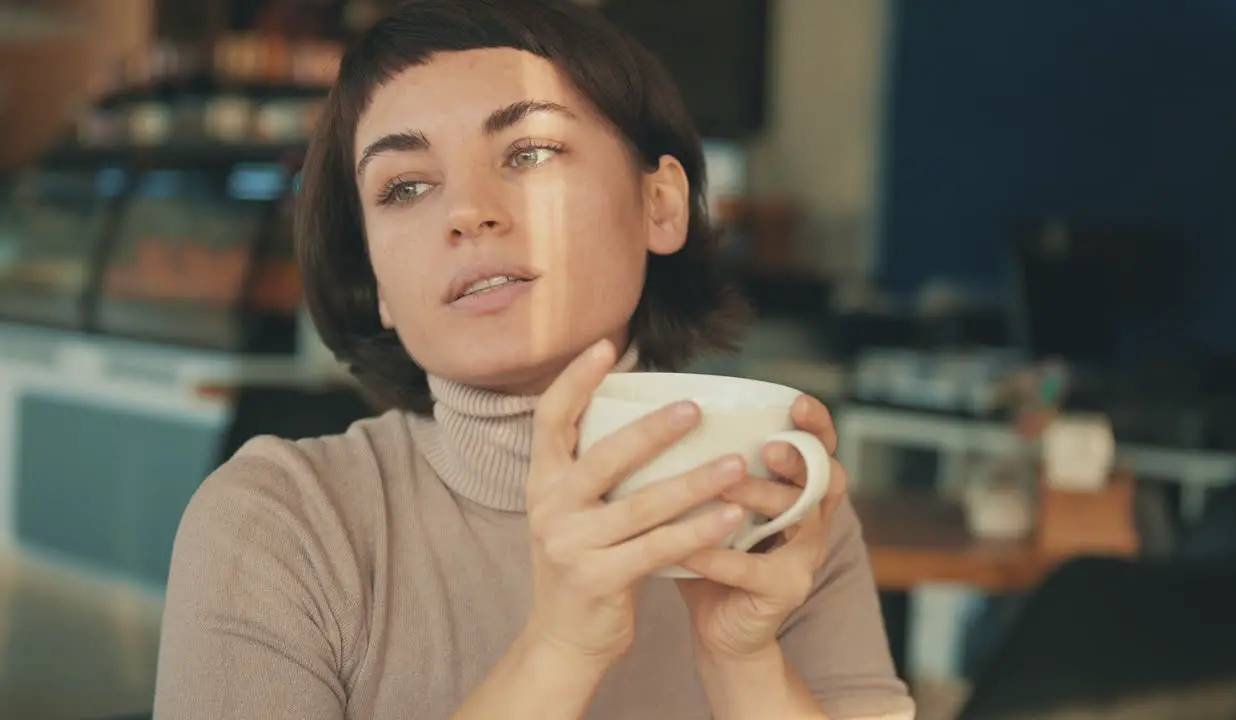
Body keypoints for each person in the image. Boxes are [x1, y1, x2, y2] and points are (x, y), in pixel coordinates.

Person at [154, 1, 913, 718]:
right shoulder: (277, 524)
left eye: (531, 151)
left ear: (662, 205)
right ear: (378, 282)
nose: (466, 211)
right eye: (406, 186)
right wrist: (561, 647)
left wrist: (743, 660)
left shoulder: (777, 505)